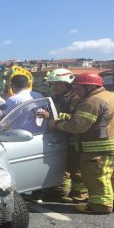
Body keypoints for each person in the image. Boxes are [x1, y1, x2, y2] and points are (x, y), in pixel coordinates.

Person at [44, 72, 114, 214]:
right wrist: (64, 116)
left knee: (97, 176)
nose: (75, 91)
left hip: (99, 148)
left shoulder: (91, 101)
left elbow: (78, 126)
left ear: (90, 87)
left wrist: (56, 124)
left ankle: (100, 205)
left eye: (78, 88)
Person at [34, 69, 88, 203]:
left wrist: (52, 116)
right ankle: (60, 193)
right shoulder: (53, 98)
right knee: (61, 167)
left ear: (68, 84)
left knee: (76, 169)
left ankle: (80, 195)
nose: (55, 87)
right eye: (52, 84)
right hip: (58, 137)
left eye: (58, 84)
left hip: (74, 138)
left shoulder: (76, 99)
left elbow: (77, 119)